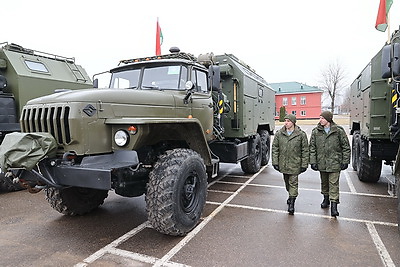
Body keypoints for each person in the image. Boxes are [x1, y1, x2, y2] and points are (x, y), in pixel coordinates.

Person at [309, 111, 350, 217]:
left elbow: (345, 147)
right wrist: (313, 161)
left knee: (334, 184)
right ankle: (326, 199)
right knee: (324, 182)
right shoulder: (316, 131)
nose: (320, 120)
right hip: (322, 162)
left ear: (328, 119)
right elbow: (312, 148)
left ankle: (334, 206)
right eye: (320, 118)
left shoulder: (338, 131)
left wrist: (345, 161)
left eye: (322, 118)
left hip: (335, 162)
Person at [272, 114, 309, 215]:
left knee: (293, 183)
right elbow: (275, 148)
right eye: (285, 121)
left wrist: (304, 164)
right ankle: (290, 195)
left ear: (293, 122)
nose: (286, 123)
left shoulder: (301, 134)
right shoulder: (280, 134)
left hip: (295, 163)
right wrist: (275, 162)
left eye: (288, 121)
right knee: (287, 183)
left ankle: (292, 203)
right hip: (283, 164)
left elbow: (305, 150)